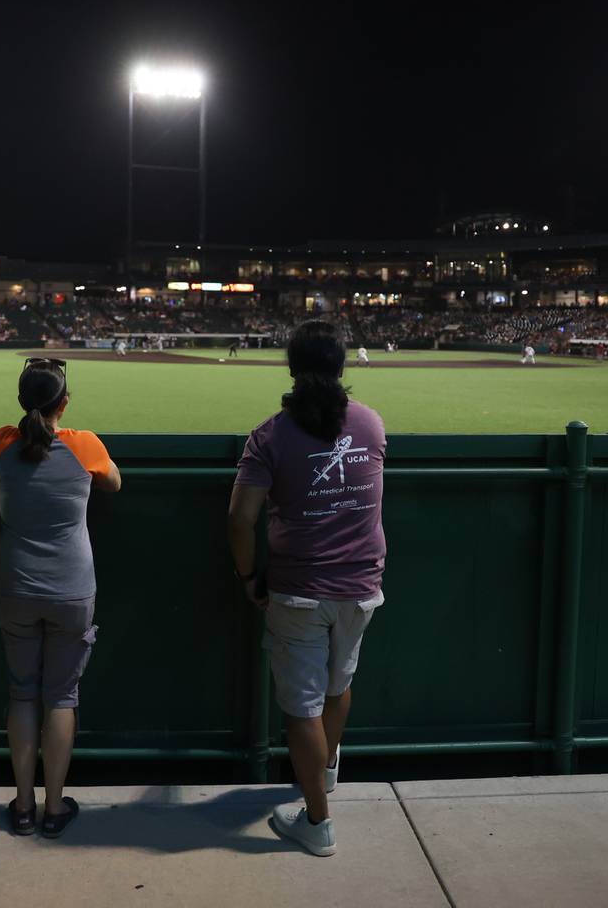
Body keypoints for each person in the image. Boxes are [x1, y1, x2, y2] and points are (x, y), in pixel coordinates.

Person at [227, 320, 387, 857]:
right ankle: (326, 770)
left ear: (292, 368)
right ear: (342, 367)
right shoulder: (370, 425)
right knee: (337, 690)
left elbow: (239, 520)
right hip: (362, 587)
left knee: (302, 710)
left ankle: (317, 821)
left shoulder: (269, 435)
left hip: (298, 591)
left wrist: (250, 579)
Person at [0, 357, 122, 838]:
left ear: (22, 402)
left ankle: (22, 808)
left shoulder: (2, 441)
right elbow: (113, 482)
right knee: (62, 697)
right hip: (71, 588)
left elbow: (23, 450)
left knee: (22, 692)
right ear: (65, 402)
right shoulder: (84, 446)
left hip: (15, 585)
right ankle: (53, 807)